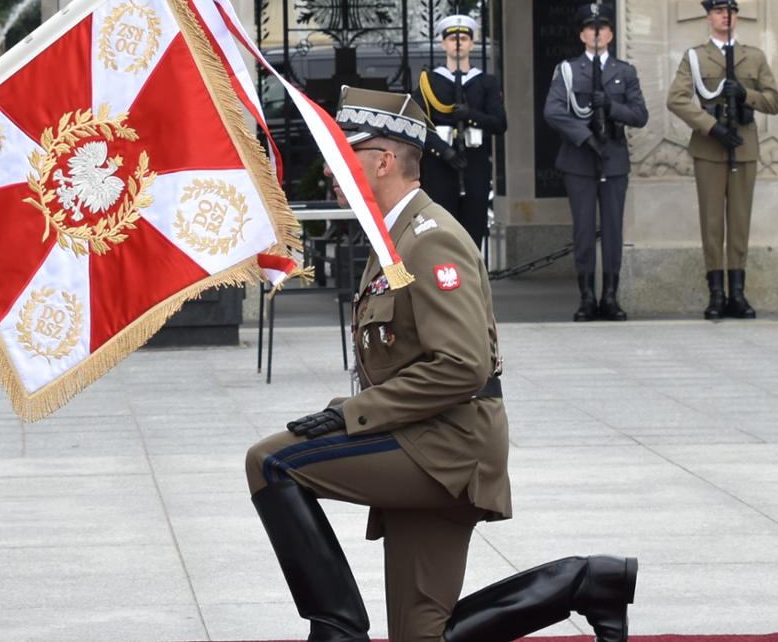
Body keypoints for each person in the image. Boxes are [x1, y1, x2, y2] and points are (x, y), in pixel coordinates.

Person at [245, 87, 634, 642]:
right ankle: (586, 583)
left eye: (343, 158)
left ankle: (336, 629)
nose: (332, 173)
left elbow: (461, 366)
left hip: (446, 449)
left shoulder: (430, 240)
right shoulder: (393, 237)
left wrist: (350, 414)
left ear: (383, 161)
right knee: (419, 636)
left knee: (271, 462)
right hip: (422, 437)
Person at [665, 0, 778, 320]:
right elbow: (677, 98)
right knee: (713, 222)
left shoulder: (753, 57)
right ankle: (716, 294)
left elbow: (774, 101)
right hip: (710, 147)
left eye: (730, 11)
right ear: (709, 18)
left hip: (743, 146)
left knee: (740, 223)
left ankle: (738, 294)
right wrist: (710, 127)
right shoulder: (695, 57)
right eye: (718, 11)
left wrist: (747, 94)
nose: (724, 16)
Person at [542, 3, 647, 322]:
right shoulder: (569, 70)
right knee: (584, 231)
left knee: (613, 230)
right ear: (582, 34)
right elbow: (554, 110)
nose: (597, 33)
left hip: (613, 158)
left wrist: (612, 107)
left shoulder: (624, 72)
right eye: (591, 28)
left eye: (602, 27)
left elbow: (640, 115)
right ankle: (587, 296)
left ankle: (610, 296)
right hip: (580, 159)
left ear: (611, 34)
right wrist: (585, 137)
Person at [415, 15, 505, 251]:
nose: (458, 42)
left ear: (472, 44)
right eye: (452, 38)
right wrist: (443, 151)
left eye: (464, 38)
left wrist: (471, 115)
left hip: (474, 164)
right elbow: (416, 124)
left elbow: (500, 123)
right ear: (443, 43)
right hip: (440, 167)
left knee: (472, 231)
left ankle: (472, 285)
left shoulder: (486, 82)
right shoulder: (429, 82)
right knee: (441, 232)